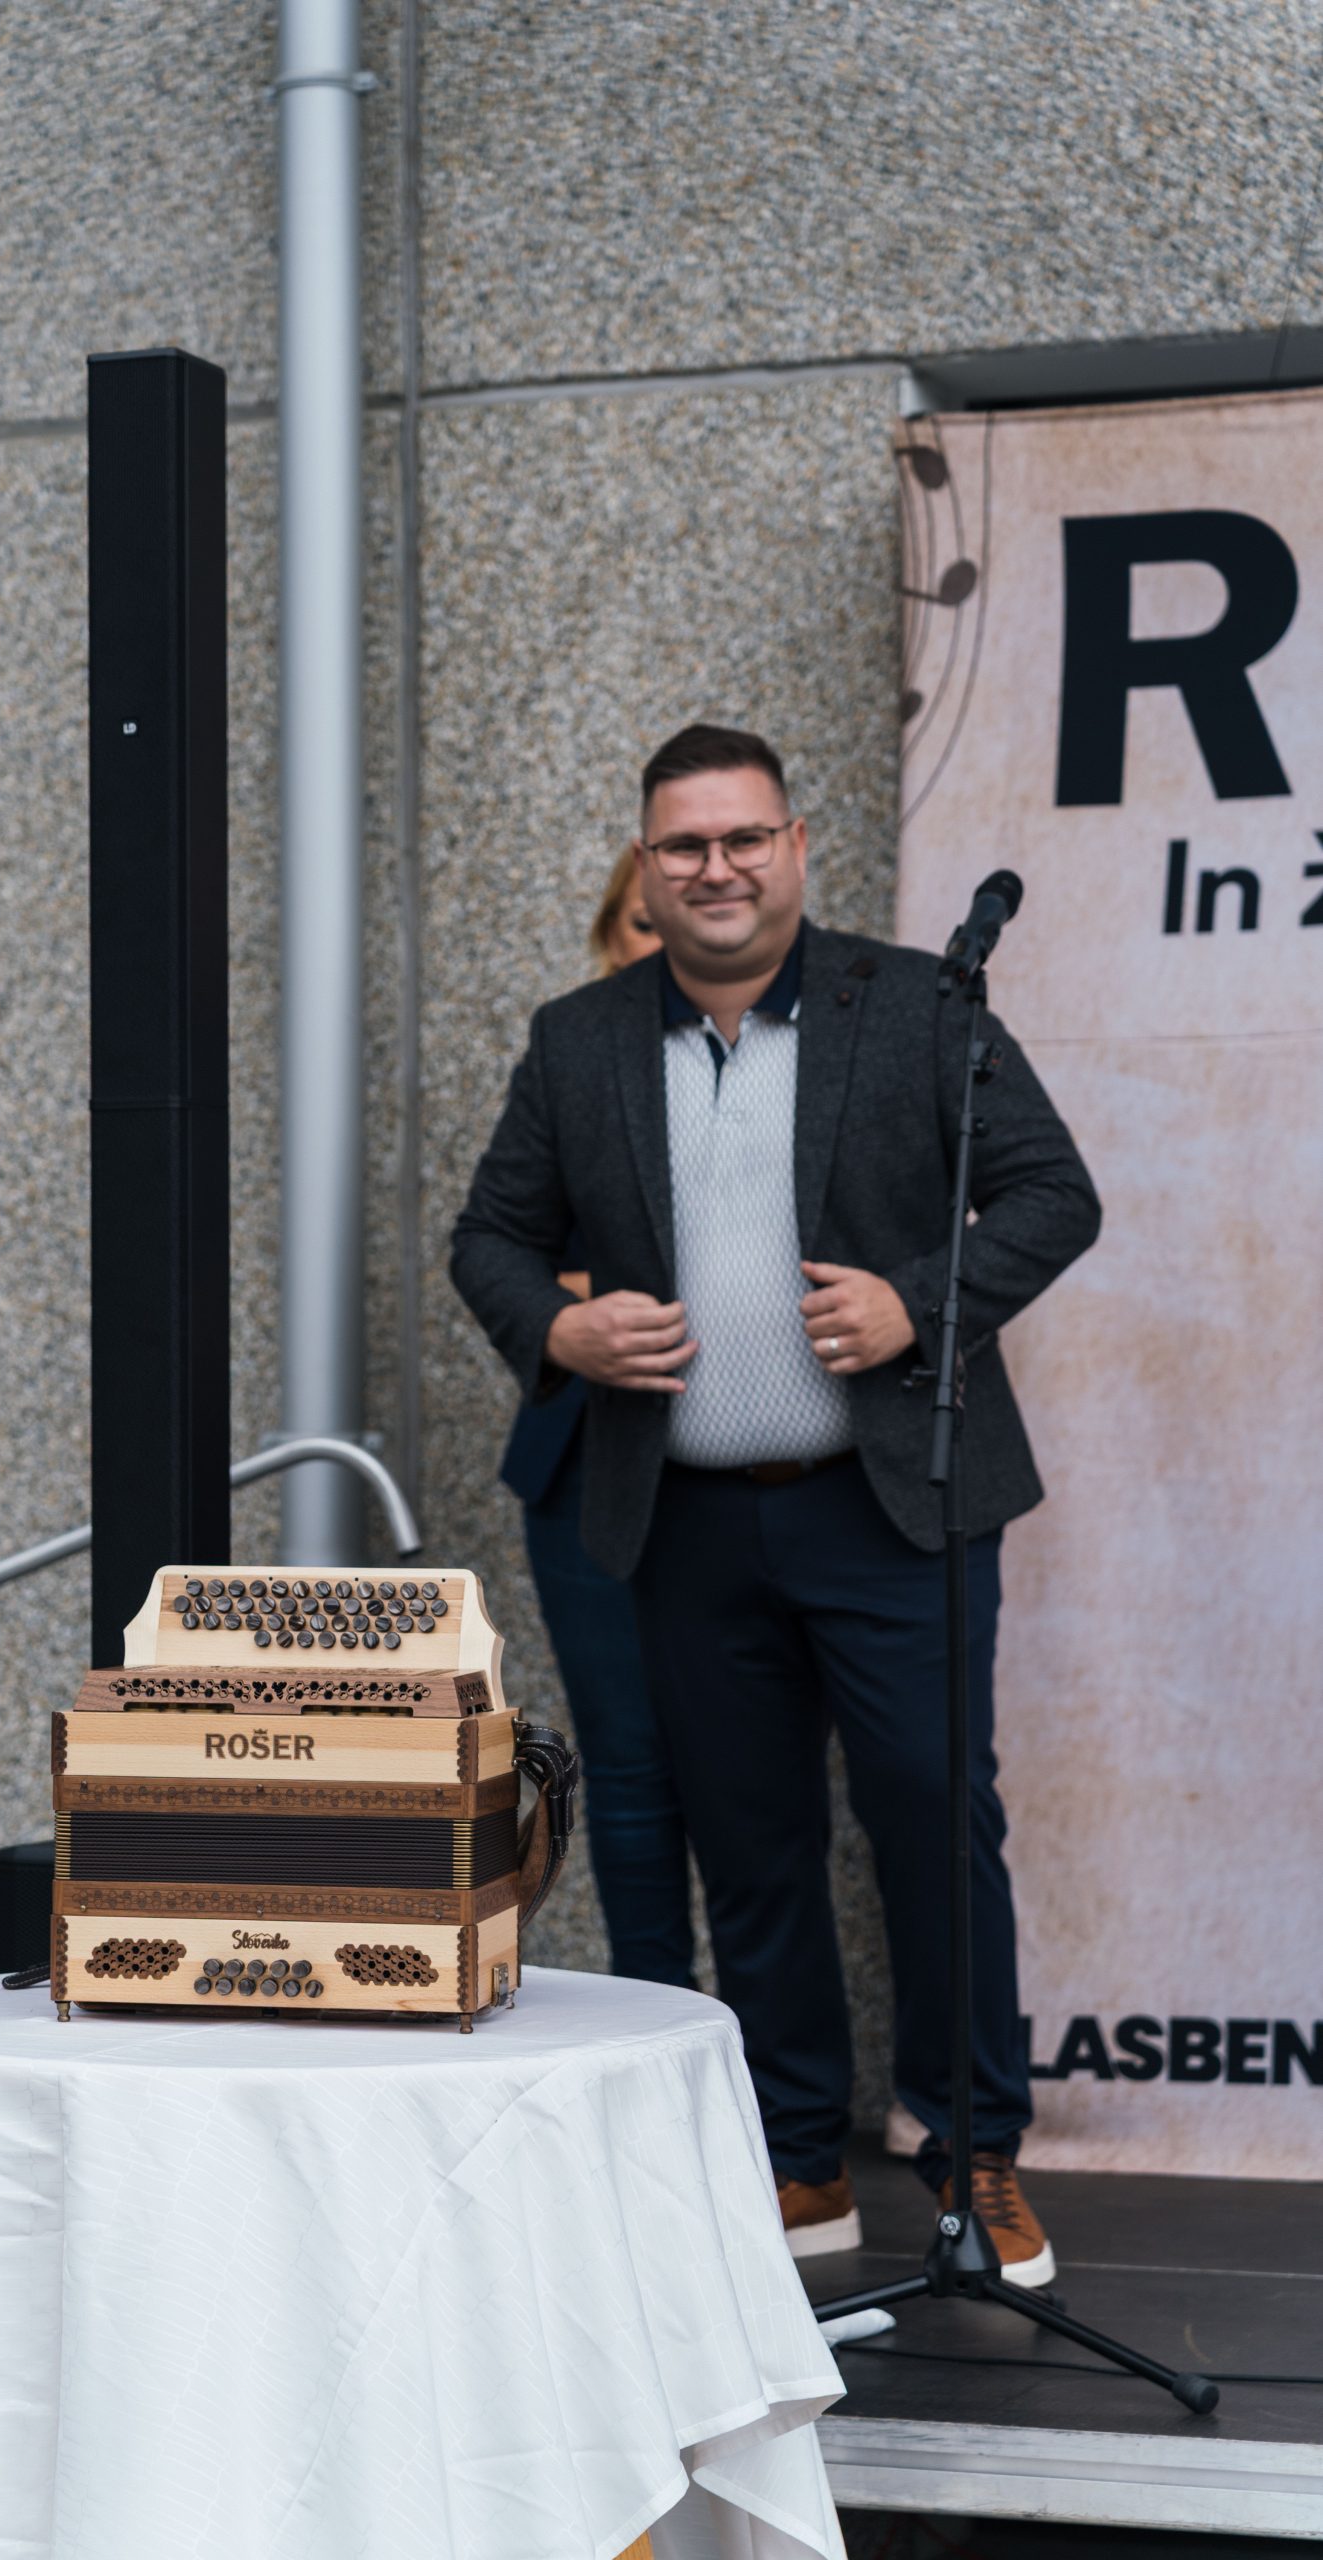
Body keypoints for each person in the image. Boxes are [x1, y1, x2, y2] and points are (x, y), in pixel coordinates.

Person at [452, 722, 1100, 2285]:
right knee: (748, 1851)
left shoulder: (918, 1007)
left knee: (934, 1823)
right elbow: (487, 1239)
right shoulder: (578, 1040)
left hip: (890, 1511)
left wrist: (915, 1305)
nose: (716, 868)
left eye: (743, 838)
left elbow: (1051, 1195)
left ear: (795, 846)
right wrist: (558, 1332)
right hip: (686, 1525)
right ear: (646, 865)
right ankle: (795, 2159)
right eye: (684, 845)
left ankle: (970, 2155)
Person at [499, 851, 696, 1988]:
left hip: (755, 1459)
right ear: (609, 939)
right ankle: (656, 2009)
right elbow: (502, 1252)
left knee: (752, 1774)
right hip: (586, 1452)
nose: (663, 942)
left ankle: (763, 2056)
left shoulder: (788, 1067)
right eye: (639, 924)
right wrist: (591, 1307)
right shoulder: (569, 1061)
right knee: (625, 1766)